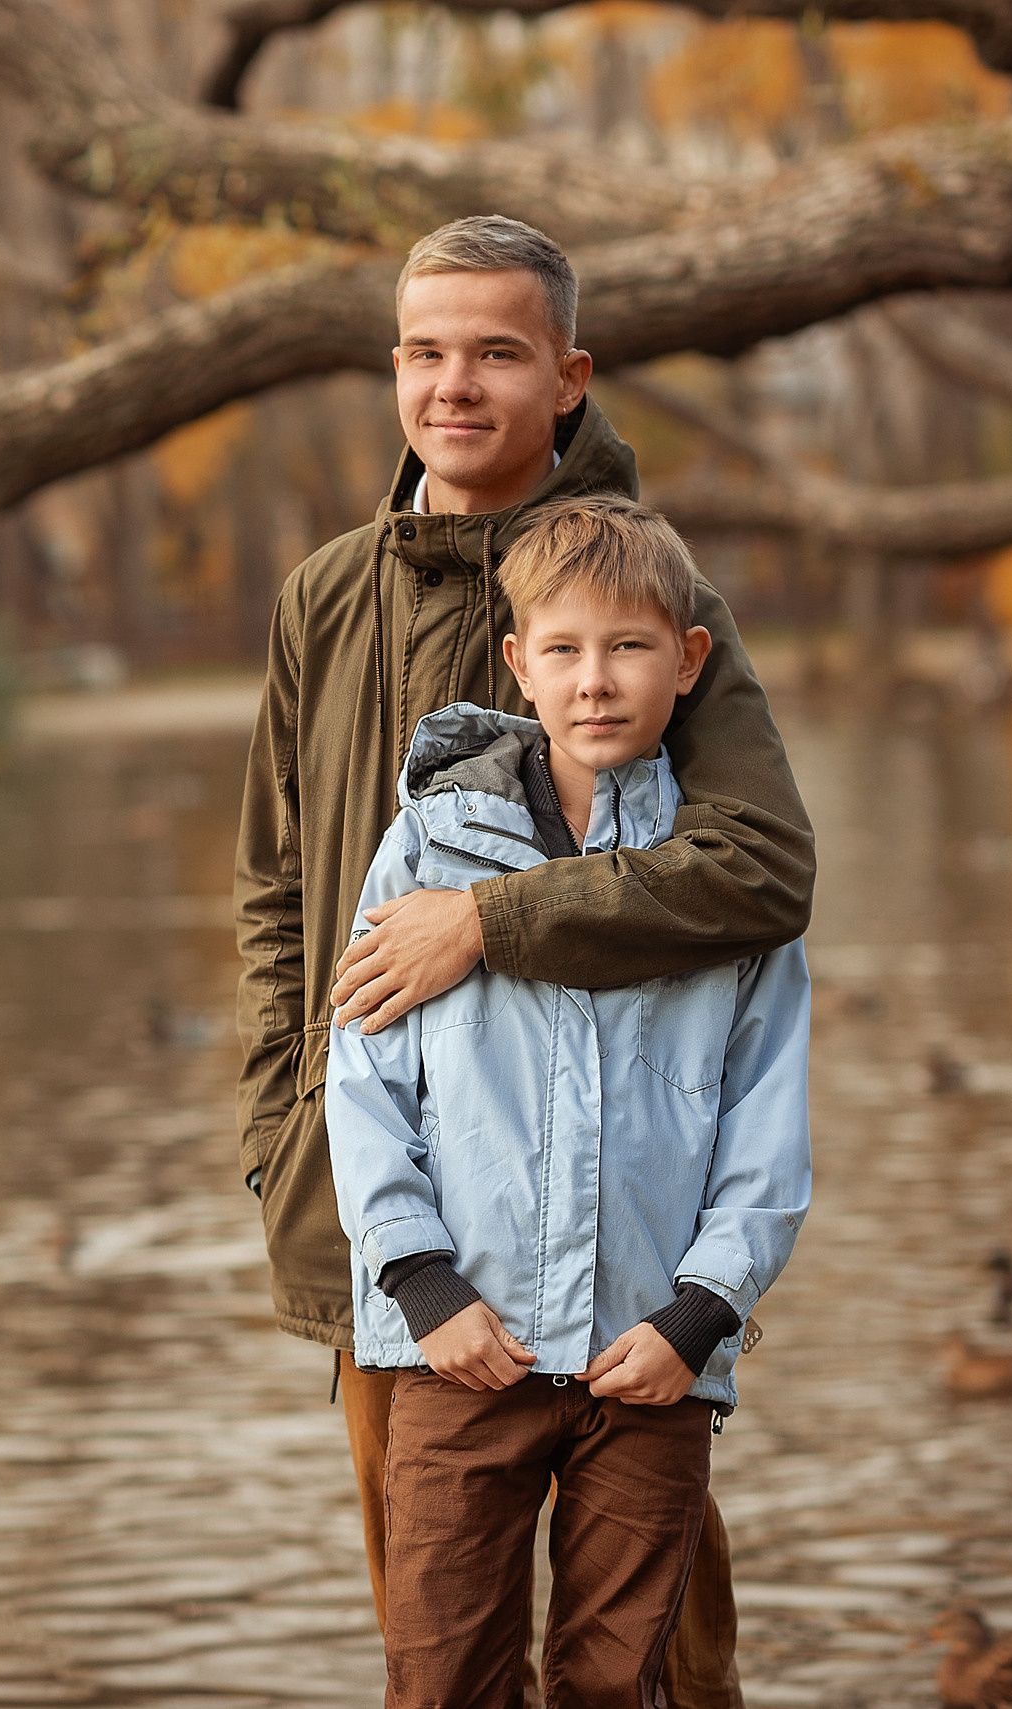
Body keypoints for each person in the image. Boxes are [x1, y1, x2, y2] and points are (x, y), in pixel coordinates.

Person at [232, 213, 816, 1707]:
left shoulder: (641, 596)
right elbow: (277, 892)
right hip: (391, 1208)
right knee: (432, 1625)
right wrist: (277, 1136)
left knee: (657, 1643)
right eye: (426, 353)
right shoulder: (322, 595)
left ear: (569, 378)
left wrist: (484, 922)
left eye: (497, 352)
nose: (456, 387)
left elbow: (761, 869)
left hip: (625, 1226)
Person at [326, 494, 812, 1708]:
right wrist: (425, 1286)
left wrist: (699, 1314)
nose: (596, 680)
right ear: (517, 662)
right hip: (462, 1355)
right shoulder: (426, 850)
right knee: (441, 1677)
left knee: (615, 1684)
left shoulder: (722, 878)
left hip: (643, 1363)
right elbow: (365, 1081)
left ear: (689, 660)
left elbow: (766, 1120)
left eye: (630, 647)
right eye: (564, 649)